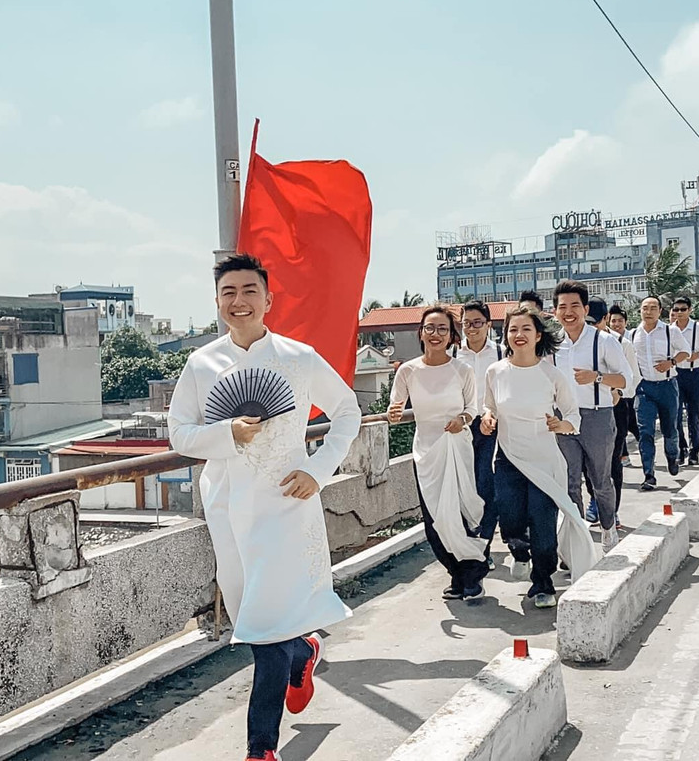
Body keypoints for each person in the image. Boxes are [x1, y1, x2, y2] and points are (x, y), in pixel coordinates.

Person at [168, 254, 362, 761]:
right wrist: (226, 433)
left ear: (269, 299)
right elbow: (180, 433)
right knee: (249, 614)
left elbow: (347, 411)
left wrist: (318, 472)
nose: (239, 301)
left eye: (249, 291)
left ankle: (261, 748)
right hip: (227, 505)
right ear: (217, 301)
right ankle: (305, 651)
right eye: (228, 292)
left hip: (285, 502)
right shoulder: (201, 363)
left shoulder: (298, 358)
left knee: (266, 625)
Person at [481, 306, 601, 609]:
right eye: (512, 329)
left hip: (545, 460)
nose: (518, 335)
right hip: (508, 458)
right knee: (509, 519)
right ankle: (520, 552)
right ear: (506, 335)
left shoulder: (552, 374)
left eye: (525, 329)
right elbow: (489, 406)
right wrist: (488, 417)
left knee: (542, 523)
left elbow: (573, 414)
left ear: (537, 335)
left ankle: (543, 582)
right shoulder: (495, 372)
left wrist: (562, 425)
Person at [388, 306, 489, 602]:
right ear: (421, 333)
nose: (435, 334)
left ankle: (473, 574)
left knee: (458, 513)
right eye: (430, 328)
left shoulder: (462, 370)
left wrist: (462, 420)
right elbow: (395, 408)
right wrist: (393, 413)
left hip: (456, 447)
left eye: (442, 329)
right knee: (434, 519)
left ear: (452, 335)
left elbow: (472, 409)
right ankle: (455, 574)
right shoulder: (407, 370)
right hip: (426, 451)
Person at [551, 283, 631, 548]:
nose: (569, 312)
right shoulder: (552, 345)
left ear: (585, 309)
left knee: (600, 479)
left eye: (575, 306)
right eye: (562, 307)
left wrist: (596, 377)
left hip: (597, 416)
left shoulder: (604, 341)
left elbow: (625, 380)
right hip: (563, 418)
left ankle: (608, 526)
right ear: (555, 311)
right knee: (569, 480)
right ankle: (578, 537)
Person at [457, 300, 503, 571]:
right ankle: (466, 544)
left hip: (491, 425)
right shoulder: (453, 352)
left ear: (488, 324)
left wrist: (493, 414)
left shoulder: (501, 352)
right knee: (463, 487)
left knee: (487, 486)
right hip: (459, 428)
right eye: (466, 324)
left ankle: (484, 545)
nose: (471, 329)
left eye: (477, 323)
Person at [630, 296, 688, 492]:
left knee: (670, 429)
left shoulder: (671, 331)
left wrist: (670, 363)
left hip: (667, 386)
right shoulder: (633, 335)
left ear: (660, 310)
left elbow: (685, 352)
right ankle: (649, 475)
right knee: (645, 432)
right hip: (644, 388)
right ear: (640, 310)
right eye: (645, 308)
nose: (648, 311)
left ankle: (672, 456)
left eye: (653, 308)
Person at [669, 297, 699, 466]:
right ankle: (681, 449)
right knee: (675, 416)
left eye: (683, 309)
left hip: (693, 373)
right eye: (676, 309)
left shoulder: (698, 328)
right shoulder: (669, 330)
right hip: (675, 375)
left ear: (690, 310)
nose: (679, 313)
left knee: (693, 415)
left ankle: (694, 451)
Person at [606, 305, 639, 517]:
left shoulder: (622, 344)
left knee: (613, 457)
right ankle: (597, 501)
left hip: (618, 404)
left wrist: (618, 391)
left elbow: (633, 377)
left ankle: (612, 510)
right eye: (612, 320)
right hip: (586, 409)